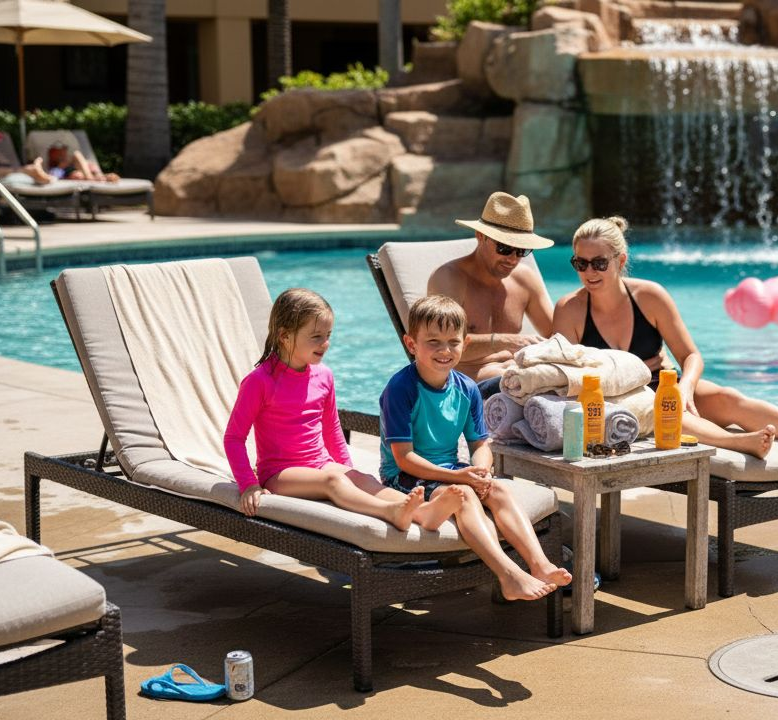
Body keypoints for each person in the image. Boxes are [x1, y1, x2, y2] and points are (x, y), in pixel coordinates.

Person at [552, 216, 778, 460]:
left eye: (599, 263)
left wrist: (686, 388)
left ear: (620, 260)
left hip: (664, 383)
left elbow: (690, 356)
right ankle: (739, 443)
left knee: (725, 398)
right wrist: (628, 369)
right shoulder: (570, 310)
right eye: (581, 264)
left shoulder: (650, 297)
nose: (589, 272)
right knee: (665, 410)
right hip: (618, 400)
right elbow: (567, 376)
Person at [380, 294, 572, 601]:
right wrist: (463, 479)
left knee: (499, 490)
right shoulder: (401, 389)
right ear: (411, 344)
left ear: (465, 344)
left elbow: (481, 443)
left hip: (449, 471)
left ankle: (541, 564)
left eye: (453, 342)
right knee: (465, 495)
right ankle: (509, 575)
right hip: (405, 480)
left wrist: (481, 469)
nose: (445, 351)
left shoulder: (466, 388)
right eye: (433, 342)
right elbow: (403, 459)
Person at [225, 288, 451, 532]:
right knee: (333, 481)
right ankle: (390, 511)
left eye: (328, 335)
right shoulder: (260, 381)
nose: (325, 343)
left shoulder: (324, 375)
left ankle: (424, 512)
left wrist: (349, 470)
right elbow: (234, 438)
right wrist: (249, 485)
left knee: (362, 479)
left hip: (320, 463)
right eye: (316, 337)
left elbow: (332, 429)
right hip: (280, 473)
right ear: (284, 336)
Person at [427, 191, 556, 396]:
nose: (513, 259)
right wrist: (505, 341)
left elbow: (557, 334)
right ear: (481, 236)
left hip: (520, 383)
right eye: (505, 248)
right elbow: (440, 346)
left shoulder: (524, 279)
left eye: (521, 250)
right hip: (469, 393)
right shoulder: (450, 278)